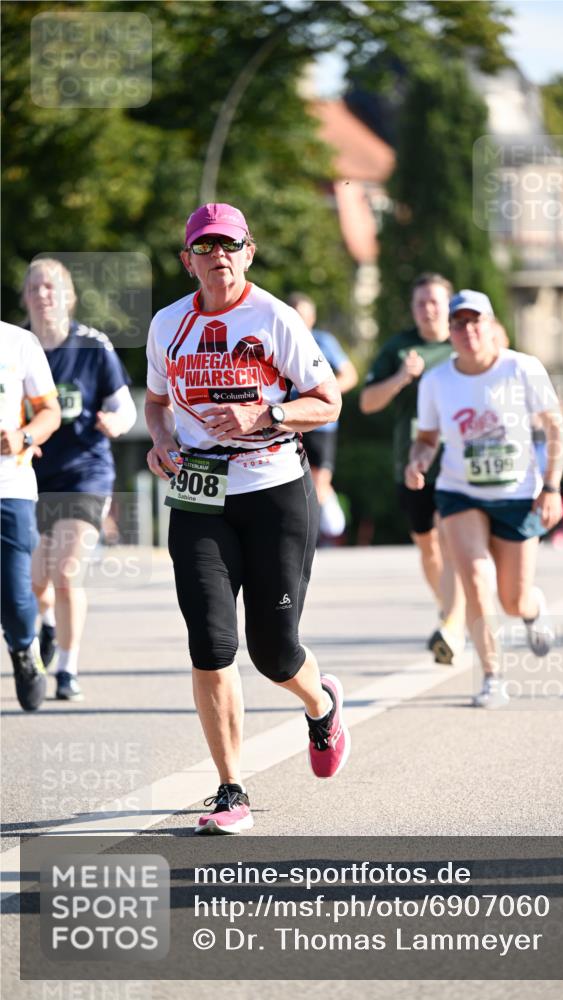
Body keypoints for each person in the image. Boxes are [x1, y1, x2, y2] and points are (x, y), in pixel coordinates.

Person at [145, 202, 350, 835]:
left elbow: (328, 402)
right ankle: (230, 790)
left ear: (249, 253)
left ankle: (320, 704)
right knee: (210, 645)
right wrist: (161, 441)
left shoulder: (274, 318)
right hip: (200, 494)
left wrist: (267, 416)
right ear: (188, 260)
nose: (219, 257)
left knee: (273, 652)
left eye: (230, 245)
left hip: (273, 490)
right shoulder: (167, 324)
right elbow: (156, 403)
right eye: (205, 247)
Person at [405, 290, 563, 709]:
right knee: (476, 579)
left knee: (513, 600)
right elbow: (427, 438)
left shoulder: (522, 368)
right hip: (460, 492)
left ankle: (532, 609)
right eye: (458, 323)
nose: (468, 331)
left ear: (492, 325)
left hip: (517, 495)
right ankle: (492, 677)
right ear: (450, 332)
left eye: (476, 321)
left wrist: (552, 487)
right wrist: (418, 460)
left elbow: (555, 428)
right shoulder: (436, 381)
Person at [22, 258, 137, 701]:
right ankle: (48, 621)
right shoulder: (14, 347)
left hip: (86, 472)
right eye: (34, 287)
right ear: (25, 297)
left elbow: (124, 406)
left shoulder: (92, 345)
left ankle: (67, 670)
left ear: (67, 296)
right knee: (36, 580)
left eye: (50, 286)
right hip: (28, 476)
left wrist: (116, 422)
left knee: (66, 572)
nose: (42, 294)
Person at [360, 273, 465, 664]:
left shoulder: (463, 342)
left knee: (450, 538)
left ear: (448, 305)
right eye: (421, 302)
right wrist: (402, 377)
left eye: (435, 301)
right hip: (412, 462)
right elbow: (367, 402)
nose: (428, 309)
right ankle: (449, 609)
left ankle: (452, 624)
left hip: (457, 461)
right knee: (428, 545)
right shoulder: (399, 348)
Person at [0, 320, 61, 711]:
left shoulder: (18, 342)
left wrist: (24, 437)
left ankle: (24, 647)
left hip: (9, 487)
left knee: (14, 596)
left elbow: (50, 412)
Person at [286, 292, 357, 539]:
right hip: (288, 422)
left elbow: (350, 375)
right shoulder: (278, 340)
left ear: (313, 318)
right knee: (293, 482)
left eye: (304, 316)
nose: (300, 321)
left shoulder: (323, 341)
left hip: (320, 425)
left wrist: (324, 394)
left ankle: (314, 535)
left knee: (318, 483)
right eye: (295, 315)